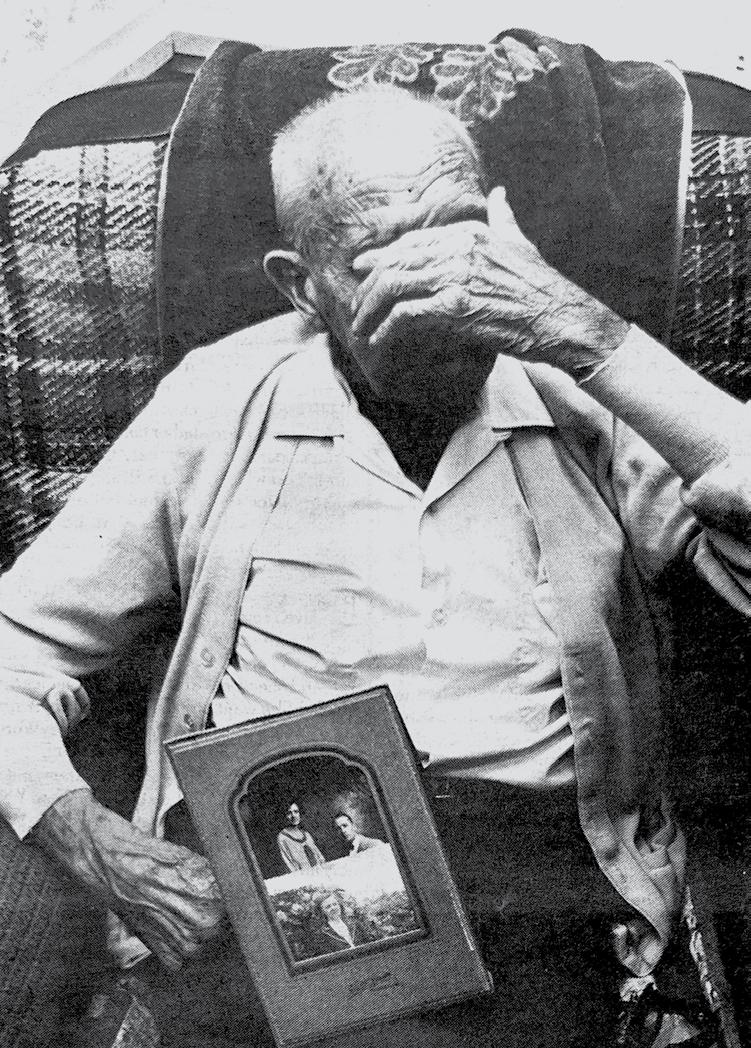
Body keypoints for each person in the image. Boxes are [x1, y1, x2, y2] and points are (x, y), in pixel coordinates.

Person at [0, 83, 749, 1047]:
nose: (439, 294)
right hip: (278, 851)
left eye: (459, 237)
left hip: (527, 869)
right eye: (383, 260)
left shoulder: (579, 384)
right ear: (299, 284)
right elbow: (12, 652)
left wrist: (595, 341)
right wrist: (88, 837)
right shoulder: (219, 397)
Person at [305, 891, 375, 958]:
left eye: (335, 904)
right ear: (322, 911)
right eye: (328, 907)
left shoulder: (355, 923)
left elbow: (369, 942)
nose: (333, 908)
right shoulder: (322, 933)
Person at [276, 802, 325, 872]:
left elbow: (319, 857)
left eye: (296, 812)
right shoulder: (282, 837)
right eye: (289, 813)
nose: (293, 816)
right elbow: (288, 863)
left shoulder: (306, 834)